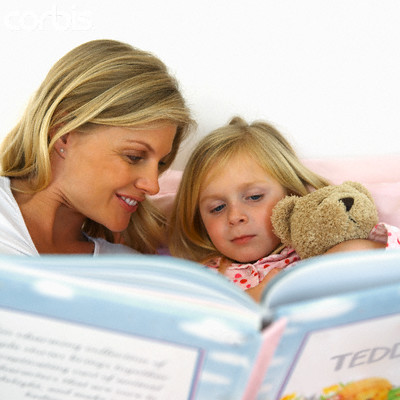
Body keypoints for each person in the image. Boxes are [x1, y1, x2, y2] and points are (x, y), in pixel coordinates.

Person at [0, 39, 193, 255]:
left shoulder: (127, 270)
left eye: (161, 164)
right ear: (63, 134)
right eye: (134, 157)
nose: (153, 186)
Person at [168, 117, 391, 302]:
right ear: (199, 220)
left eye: (254, 197)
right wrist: (250, 301)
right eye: (217, 208)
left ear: (289, 195)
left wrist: (306, 281)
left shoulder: (314, 251)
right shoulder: (202, 278)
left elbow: (379, 254)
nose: (235, 217)